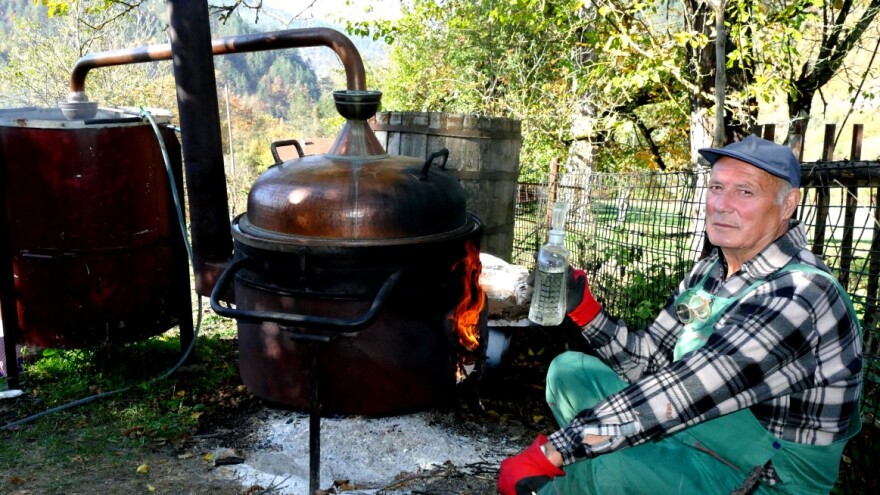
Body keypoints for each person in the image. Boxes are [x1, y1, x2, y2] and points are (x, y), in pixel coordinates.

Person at [498, 135, 863, 495]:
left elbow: (685, 389)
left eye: (745, 192)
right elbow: (650, 363)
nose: (722, 204)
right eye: (716, 187)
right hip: (698, 430)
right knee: (569, 373)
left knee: (607, 470)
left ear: (788, 205)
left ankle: (597, 477)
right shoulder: (710, 272)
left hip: (767, 478)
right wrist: (586, 310)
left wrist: (552, 452)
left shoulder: (800, 293)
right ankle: (630, 465)